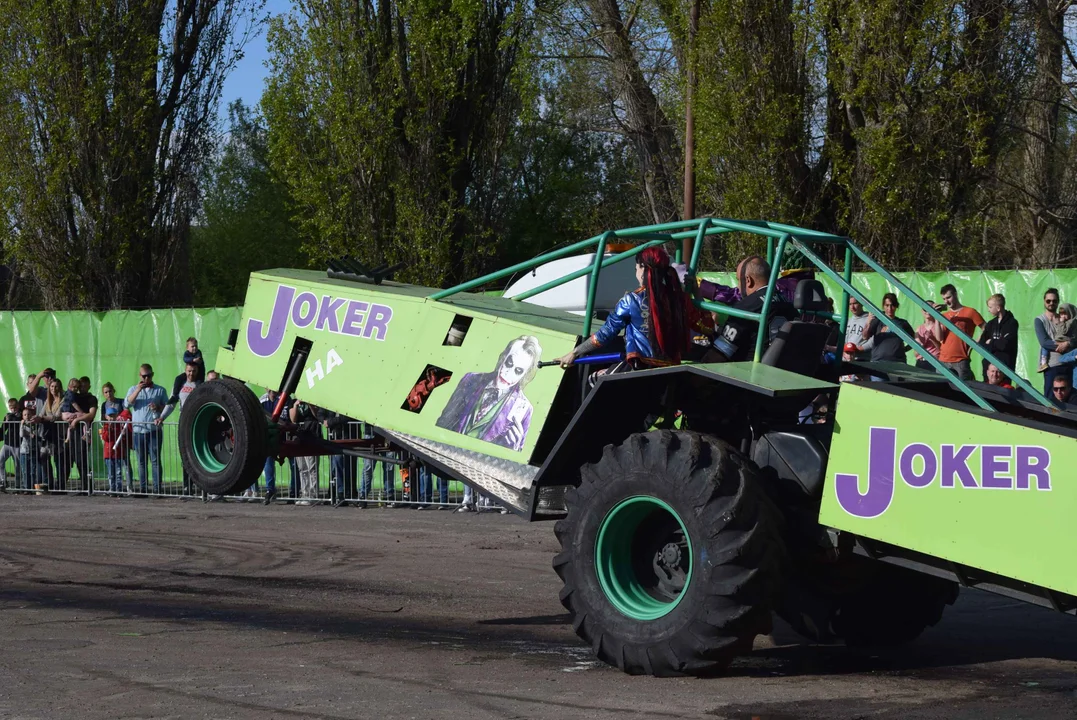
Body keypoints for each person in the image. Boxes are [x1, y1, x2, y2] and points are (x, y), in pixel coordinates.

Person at [559, 246, 690, 373]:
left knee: (594, 379)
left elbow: (606, 333)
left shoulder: (631, 299)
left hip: (640, 367)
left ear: (643, 269)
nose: (636, 273)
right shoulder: (678, 297)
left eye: (636, 269)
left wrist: (575, 352)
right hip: (672, 369)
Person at [696, 255, 795, 363]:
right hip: (783, 370)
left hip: (750, 374)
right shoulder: (789, 303)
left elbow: (718, 355)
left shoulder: (746, 306)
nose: (738, 287)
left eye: (738, 280)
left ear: (748, 280)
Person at [125, 364, 169, 495]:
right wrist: (138, 390)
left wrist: (158, 407)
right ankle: (143, 489)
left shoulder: (160, 390)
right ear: (140, 376)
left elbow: (167, 407)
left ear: (152, 375)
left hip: (153, 430)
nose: (146, 378)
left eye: (149, 375)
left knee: (155, 460)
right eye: (144, 376)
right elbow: (127, 404)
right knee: (141, 461)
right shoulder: (133, 389)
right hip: (138, 431)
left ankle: (157, 488)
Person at [162, 362, 202, 495]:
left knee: (198, 455)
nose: (191, 373)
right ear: (185, 370)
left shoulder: (199, 384)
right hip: (184, 422)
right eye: (189, 371)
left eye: (194, 371)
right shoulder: (181, 383)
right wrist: (161, 417)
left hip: (196, 422)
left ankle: (201, 487)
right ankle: (187, 486)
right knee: (186, 456)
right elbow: (172, 402)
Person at [935, 284, 985, 381]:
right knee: (942, 392)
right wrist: (937, 317)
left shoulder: (970, 312)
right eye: (944, 299)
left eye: (948, 297)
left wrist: (973, 346)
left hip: (961, 359)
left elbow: (986, 328)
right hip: (943, 359)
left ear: (955, 294)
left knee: (964, 390)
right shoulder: (944, 315)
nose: (946, 301)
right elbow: (939, 338)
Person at [1034, 288, 1073, 396]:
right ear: (1044, 301)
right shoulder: (1039, 320)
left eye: (1054, 301)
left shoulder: (1064, 319)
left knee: (1070, 397)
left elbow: (1073, 339)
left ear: (1058, 302)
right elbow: (1044, 342)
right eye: (1048, 301)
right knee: (1050, 396)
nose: (1051, 303)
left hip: (1068, 363)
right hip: (1051, 365)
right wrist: (1063, 345)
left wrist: (1068, 344)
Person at [856, 293, 914, 364]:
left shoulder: (902, 323)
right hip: (878, 361)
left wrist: (904, 349)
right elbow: (865, 337)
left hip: (898, 363)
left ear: (896, 306)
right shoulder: (877, 320)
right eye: (887, 305)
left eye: (892, 305)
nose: (889, 308)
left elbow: (914, 339)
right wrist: (868, 322)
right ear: (883, 306)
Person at [289, 399, 321, 505]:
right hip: (299, 436)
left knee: (312, 467)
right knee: (302, 468)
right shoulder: (294, 401)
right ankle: (304, 493)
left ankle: (313, 494)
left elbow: (318, 416)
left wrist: (310, 405)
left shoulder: (313, 400)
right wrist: (295, 406)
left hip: (312, 435)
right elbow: (293, 419)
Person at [978, 294, 1018, 377]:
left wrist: (991, 341)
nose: (988, 310)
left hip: (1004, 369)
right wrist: (996, 343)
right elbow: (982, 343)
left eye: (990, 307)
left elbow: (1005, 345)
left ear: (998, 308)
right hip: (988, 369)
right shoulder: (990, 324)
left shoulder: (1011, 323)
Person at [99, 402, 133, 494]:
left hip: (118, 454)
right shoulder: (106, 426)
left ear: (117, 416)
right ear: (106, 416)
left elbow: (123, 438)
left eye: (113, 415)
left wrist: (123, 434)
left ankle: (118, 489)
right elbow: (105, 437)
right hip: (108, 454)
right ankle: (112, 488)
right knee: (111, 474)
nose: (112, 418)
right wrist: (110, 428)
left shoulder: (120, 426)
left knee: (118, 473)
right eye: (110, 416)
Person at [914, 304, 944, 370]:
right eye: (925, 309)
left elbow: (942, 350)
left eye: (930, 308)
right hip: (921, 362)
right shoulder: (919, 329)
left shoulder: (939, 327)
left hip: (935, 362)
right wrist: (921, 344)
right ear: (922, 311)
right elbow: (916, 353)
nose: (927, 311)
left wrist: (932, 339)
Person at [1, 398, 20, 490]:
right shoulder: (8, 416)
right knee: (0, 461)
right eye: (11, 408)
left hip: (17, 445)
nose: (13, 409)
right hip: (7, 444)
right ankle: (3, 481)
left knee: (18, 465)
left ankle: (18, 484)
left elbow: (18, 422)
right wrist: (6, 421)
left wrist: (11, 418)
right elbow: (3, 429)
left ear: (18, 406)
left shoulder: (21, 415)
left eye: (15, 407)